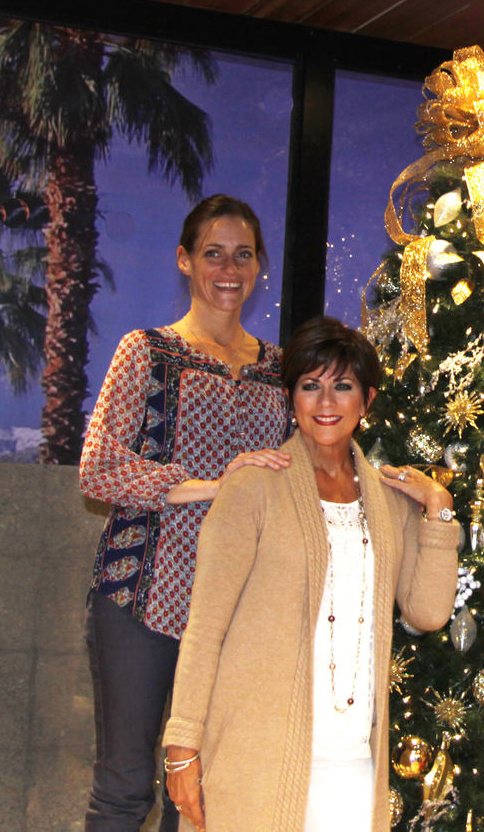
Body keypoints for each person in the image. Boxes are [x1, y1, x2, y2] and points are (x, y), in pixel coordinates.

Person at [162, 315, 460, 832]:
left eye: (342, 386)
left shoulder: (390, 500)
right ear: (290, 397)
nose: (326, 402)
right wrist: (182, 746)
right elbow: (205, 628)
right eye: (309, 385)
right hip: (256, 758)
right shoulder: (252, 487)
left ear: (366, 401)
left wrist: (438, 506)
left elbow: (429, 612)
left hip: (354, 762)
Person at [79, 195, 292, 831]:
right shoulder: (145, 351)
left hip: (236, 607)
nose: (229, 269)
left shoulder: (282, 370)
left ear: (260, 266)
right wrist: (209, 487)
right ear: (184, 260)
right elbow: (97, 469)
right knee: (124, 788)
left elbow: (309, 467)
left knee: (203, 793)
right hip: (142, 596)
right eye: (213, 253)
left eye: (243, 255)